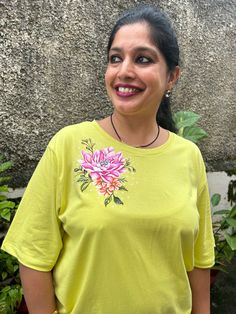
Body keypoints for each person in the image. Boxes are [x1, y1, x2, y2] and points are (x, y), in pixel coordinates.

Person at [2, 5, 215, 314]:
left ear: (171, 77)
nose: (124, 70)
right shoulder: (69, 145)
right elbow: (34, 255)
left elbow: (198, 262)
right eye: (116, 58)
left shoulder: (188, 156)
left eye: (143, 59)